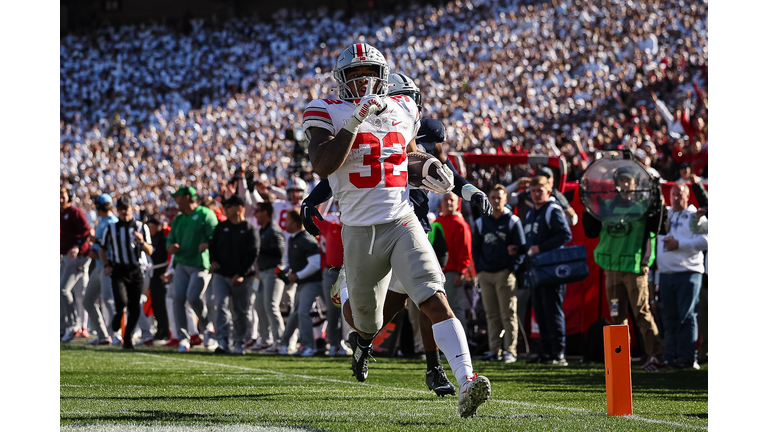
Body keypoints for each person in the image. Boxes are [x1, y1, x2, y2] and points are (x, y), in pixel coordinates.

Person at [303, 43, 489, 417]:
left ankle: (466, 380)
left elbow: (407, 154)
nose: (363, 82)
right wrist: (354, 123)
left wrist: (430, 168)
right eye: (354, 76)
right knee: (365, 321)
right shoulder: (326, 110)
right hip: (358, 230)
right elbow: (323, 164)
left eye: (369, 74)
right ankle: (363, 343)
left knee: (434, 295)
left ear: (383, 77)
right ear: (341, 80)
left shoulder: (403, 108)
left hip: (401, 220)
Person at [582, 166, 667, 371]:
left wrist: (659, 202)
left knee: (641, 313)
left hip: (635, 268)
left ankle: (656, 357)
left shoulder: (644, 206)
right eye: (621, 180)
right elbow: (590, 232)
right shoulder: (607, 206)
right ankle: (620, 361)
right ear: (617, 183)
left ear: (636, 184)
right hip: (612, 269)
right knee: (616, 316)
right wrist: (588, 205)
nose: (625, 184)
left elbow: (660, 228)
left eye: (628, 180)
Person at [656, 183, 708, 369]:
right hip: (665, 273)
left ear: (687, 197)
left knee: (687, 316)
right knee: (669, 318)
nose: (676, 198)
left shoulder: (694, 216)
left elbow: (706, 240)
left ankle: (687, 358)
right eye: (673, 194)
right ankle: (670, 356)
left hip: (688, 272)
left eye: (680, 194)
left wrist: (680, 244)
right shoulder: (665, 214)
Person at [473, 184, 526, 363]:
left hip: (505, 273)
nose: (495, 201)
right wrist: (479, 270)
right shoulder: (481, 222)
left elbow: (521, 249)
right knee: (491, 315)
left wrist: (510, 269)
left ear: (505, 200)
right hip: (486, 273)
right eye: (493, 197)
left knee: (508, 314)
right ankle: (494, 349)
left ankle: (510, 351)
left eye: (499, 197)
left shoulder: (513, 221)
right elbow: (476, 249)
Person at [524, 176, 573, 366]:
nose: (536, 194)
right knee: (540, 310)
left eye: (540, 190)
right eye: (533, 190)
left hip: (552, 269)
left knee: (553, 310)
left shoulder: (552, 209)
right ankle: (546, 351)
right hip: (536, 269)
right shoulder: (531, 213)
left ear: (548, 191)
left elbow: (565, 235)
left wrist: (541, 248)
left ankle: (558, 352)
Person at [166, 186, 219, 353]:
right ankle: (183, 338)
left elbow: (216, 237)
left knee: (193, 297)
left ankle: (207, 326)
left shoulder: (205, 214)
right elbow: (170, 241)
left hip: (199, 263)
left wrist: (208, 244)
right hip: (181, 263)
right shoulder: (178, 220)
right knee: (178, 299)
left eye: (178, 197)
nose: (176, 201)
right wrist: (171, 248)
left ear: (188, 197)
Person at [98, 195, 153, 350]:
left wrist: (141, 242)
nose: (123, 211)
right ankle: (117, 316)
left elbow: (150, 250)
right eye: (121, 208)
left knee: (135, 307)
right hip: (118, 269)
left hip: (136, 269)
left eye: (126, 208)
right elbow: (102, 249)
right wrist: (106, 265)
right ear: (117, 210)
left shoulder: (141, 227)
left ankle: (128, 337)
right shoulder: (111, 228)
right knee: (121, 302)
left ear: (132, 209)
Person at [209, 195, 260, 354]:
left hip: (242, 277)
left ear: (239, 208)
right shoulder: (221, 227)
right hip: (221, 275)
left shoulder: (250, 230)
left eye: (229, 207)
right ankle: (223, 342)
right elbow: (212, 247)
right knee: (221, 307)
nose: (226, 209)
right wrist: (213, 261)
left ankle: (240, 342)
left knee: (240, 311)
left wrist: (241, 274)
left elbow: (253, 254)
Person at [278, 209, 323, 356]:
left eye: (288, 220)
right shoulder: (293, 239)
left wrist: (296, 276)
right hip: (302, 282)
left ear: (296, 223)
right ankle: (285, 342)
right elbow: (292, 262)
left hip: (312, 282)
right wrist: (286, 271)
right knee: (296, 313)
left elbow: (315, 264)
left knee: (303, 312)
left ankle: (309, 346)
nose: (285, 223)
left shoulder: (306, 239)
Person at [83, 194, 120, 345]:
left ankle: (116, 333)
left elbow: (112, 245)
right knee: (88, 301)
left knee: (108, 300)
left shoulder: (113, 222)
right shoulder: (103, 222)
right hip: (98, 266)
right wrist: (93, 248)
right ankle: (103, 335)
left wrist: (95, 243)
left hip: (107, 267)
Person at [435, 193, 473, 334]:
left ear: (458, 204)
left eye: (452, 200)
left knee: (454, 308)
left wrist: (461, 271)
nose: (449, 202)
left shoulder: (460, 224)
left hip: (452, 273)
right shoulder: (436, 222)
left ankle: (460, 342)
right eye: (446, 199)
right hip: (437, 273)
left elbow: (465, 250)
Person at [253, 201, 287, 352]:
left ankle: (280, 341)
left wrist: (259, 250)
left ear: (265, 212)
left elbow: (279, 251)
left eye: (258, 211)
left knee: (271, 306)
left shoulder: (273, 230)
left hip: (273, 271)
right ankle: (266, 339)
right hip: (261, 272)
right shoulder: (263, 230)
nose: (255, 214)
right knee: (259, 306)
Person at [60, 188, 92, 342]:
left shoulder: (75, 213)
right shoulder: (60, 213)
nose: (60, 199)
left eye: (62, 196)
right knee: (69, 293)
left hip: (78, 258)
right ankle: (65, 326)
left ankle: (75, 325)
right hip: (67, 257)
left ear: (69, 197)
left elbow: (86, 230)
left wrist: (77, 246)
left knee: (66, 291)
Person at [315, 210, 346, 356]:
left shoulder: (355, 229)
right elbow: (314, 218)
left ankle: (345, 343)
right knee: (333, 311)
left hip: (348, 274)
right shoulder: (331, 226)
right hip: (331, 272)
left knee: (347, 311)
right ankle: (333, 344)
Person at [146, 218, 170, 341]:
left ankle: (165, 330)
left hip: (161, 273)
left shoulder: (162, 239)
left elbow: (162, 257)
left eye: (151, 226)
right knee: (155, 303)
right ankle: (160, 329)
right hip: (153, 273)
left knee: (161, 304)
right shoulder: (152, 239)